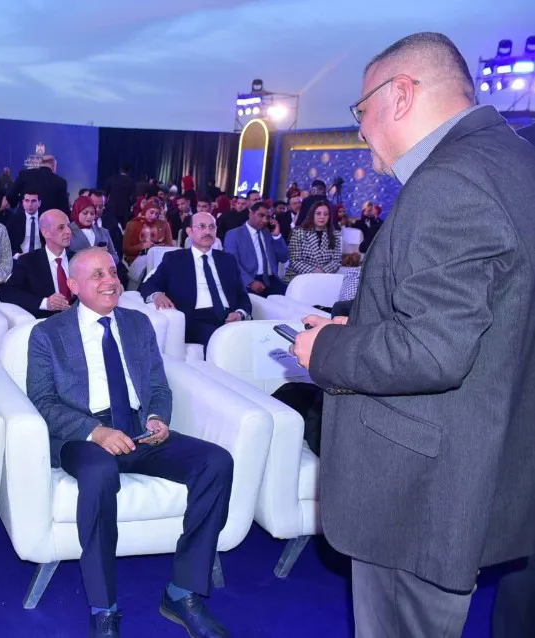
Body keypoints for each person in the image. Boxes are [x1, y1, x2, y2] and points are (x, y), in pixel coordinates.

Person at [289, 32, 535, 638]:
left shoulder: (449, 181)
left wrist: (327, 350)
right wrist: (366, 326)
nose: (359, 129)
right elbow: (488, 318)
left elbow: (431, 350)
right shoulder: (514, 160)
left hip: (419, 489)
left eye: (361, 109)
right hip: (488, 457)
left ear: (400, 94)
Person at [26, 248, 234, 638]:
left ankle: (183, 592)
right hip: (83, 435)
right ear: (73, 285)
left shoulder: (138, 323)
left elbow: (158, 386)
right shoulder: (47, 334)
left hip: (139, 428)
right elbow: (43, 401)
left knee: (216, 462)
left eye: (112, 272)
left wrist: (157, 417)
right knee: (100, 473)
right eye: (97, 275)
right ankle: (103, 607)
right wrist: (96, 432)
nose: (110, 281)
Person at [141, 212, 251, 354]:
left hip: (230, 318)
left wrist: (240, 313)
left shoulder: (228, 260)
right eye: (202, 226)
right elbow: (148, 284)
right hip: (195, 319)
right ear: (190, 232)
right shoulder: (175, 259)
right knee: (224, 341)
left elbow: (242, 295)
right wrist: (156, 295)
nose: (207, 231)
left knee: (255, 339)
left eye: (211, 227)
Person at [0, 209, 75, 319]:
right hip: (47, 321)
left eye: (68, 226)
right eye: (61, 228)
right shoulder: (28, 261)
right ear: (45, 233)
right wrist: (45, 303)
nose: (68, 231)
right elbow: (7, 293)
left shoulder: (77, 258)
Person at [223, 202, 288, 297]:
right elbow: (231, 263)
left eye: (268, 217)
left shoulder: (269, 233)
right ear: (250, 213)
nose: (264, 220)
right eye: (261, 215)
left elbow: (284, 257)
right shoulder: (234, 234)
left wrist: (276, 236)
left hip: (271, 279)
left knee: (291, 298)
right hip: (249, 280)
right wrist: (250, 282)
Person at [284, 200, 342, 282]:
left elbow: (336, 261)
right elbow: (294, 261)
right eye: (318, 213)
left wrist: (323, 272)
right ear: (312, 215)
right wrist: (313, 272)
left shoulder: (335, 235)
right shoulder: (298, 233)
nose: (322, 217)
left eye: (326, 214)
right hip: (298, 278)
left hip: (323, 278)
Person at [121, 197, 174, 285]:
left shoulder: (164, 225)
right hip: (137, 258)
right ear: (145, 210)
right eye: (151, 212)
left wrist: (158, 247)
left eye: (157, 214)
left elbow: (170, 247)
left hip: (159, 258)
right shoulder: (132, 224)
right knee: (151, 269)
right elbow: (126, 249)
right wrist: (142, 246)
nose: (153, 216)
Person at [5, 155, 70, 214]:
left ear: (41, 164)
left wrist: (20, 201)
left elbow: (10, 195)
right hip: (48, 221)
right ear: (53, 166)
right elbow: (63, 208)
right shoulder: (61, 182)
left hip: (24, 219)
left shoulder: (24, 175)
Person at [69, 195, 120, 264]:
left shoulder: (103, 231)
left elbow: (115, 258)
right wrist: (93, 252)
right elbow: (65, 256)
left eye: (92, 213)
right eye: (85, 213)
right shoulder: (68, 231)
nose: (89, 216)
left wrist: (104, 257)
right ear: (77, 212)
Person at [6, 190, 44, 257]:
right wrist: (17, 255)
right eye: (27, 201)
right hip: (19, 258)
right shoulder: (14, 220)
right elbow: (6, 243)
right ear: (23, 202)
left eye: (33, 201)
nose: (30, 204)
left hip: (41, 258)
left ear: (39, 203)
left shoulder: (45, 219)